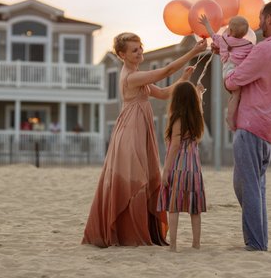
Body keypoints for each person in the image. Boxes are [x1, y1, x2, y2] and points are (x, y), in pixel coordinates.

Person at [82, 32, 206, 248]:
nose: (139, 52)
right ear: (122, 54)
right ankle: (129, 232)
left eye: (140, 48)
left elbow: (165, 93)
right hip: (131, 130)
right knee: (136, 177)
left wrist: (184, 79)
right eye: (134, 50)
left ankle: (139, 229)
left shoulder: (137, 75)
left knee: (144, 176)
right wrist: (193, 52)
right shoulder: (131, 77)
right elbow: (166, 70)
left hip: (140, 127)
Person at [224, 0, 271, 251]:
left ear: (270, 20)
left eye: (261, 18)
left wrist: (228, 67)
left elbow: (234, 81)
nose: (258, 23)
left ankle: (255, 244)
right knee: (253, 186)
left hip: (253, 124)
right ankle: (259, 240)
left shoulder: (265, 50)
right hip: (270, 127)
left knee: (249, 186)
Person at [157, 81, 207, 252]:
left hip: (179, 166)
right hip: (194, 168)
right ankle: (196, 244)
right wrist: (199, 95)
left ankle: (173, 245)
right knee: (195, 208)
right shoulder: (196, 118)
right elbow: (199, 109)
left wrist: (166, 170)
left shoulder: (177, 118)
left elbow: (175, 145)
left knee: (174, 206)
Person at [199, 14, 253, 130]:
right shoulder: (248, 45)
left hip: (227, 73)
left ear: (231, 31)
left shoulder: (224, 40)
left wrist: (206, 23)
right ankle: (230, 118)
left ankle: (232, 117)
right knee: (236, 95)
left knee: (235, 96)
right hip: (235, 75)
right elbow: (254, 56)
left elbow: (213, 35)